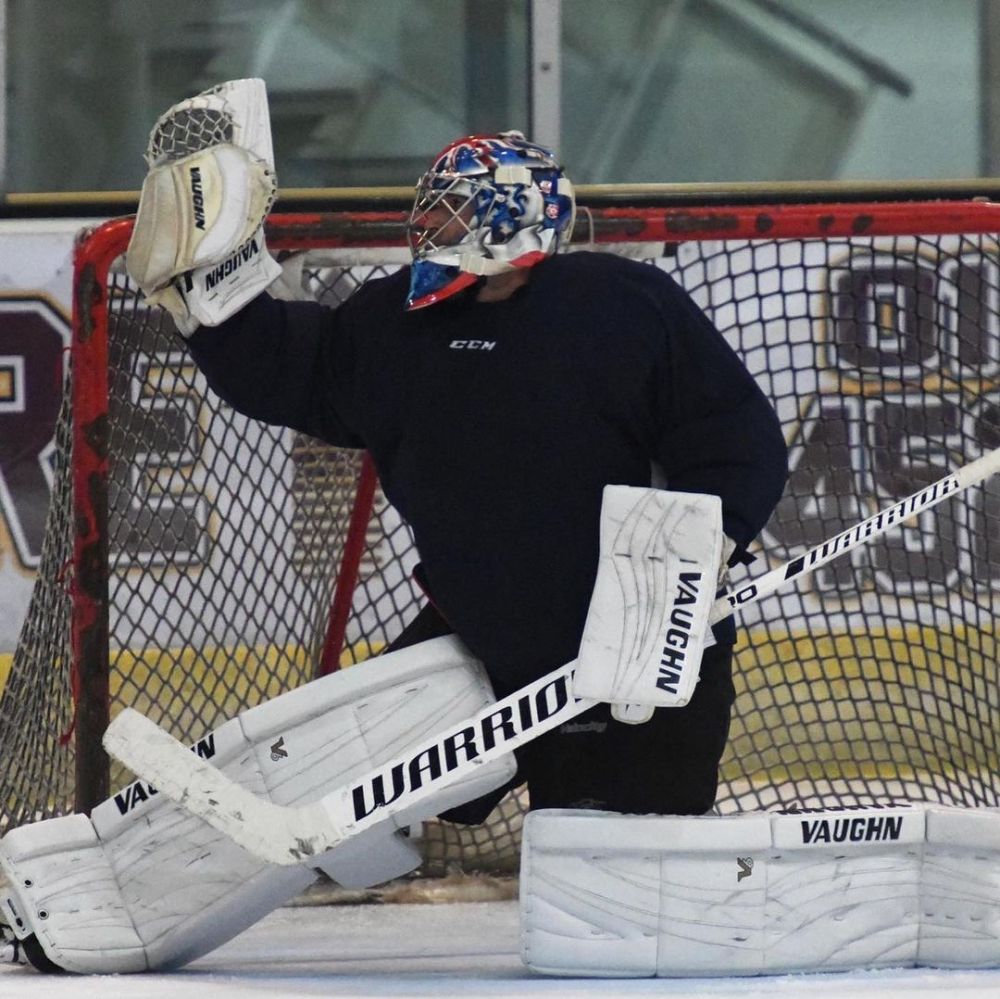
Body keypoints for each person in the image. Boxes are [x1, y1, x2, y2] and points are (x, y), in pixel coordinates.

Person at [185, 130, 789, 823]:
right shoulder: (395, 322)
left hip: (632, 642)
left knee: (617, 850)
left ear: (515, 211)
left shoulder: (621, 305)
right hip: (479, 636)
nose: (428, 222)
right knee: (342, 800)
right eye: (431, 204)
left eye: (452, 206)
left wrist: (702, 546)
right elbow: (293, 368)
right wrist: (209, 305)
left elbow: (735, 438)